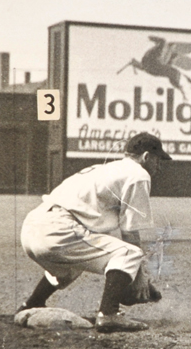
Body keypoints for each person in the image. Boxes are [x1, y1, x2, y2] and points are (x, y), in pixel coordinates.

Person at [19, 132, 172, 332]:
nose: (158, 167)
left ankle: (32, 304)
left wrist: (130, 277)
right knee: (130, 253)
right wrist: (140, 277)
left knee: (71, 265)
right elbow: (130, 232)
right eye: (158, 161)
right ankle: (109, 314)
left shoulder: (108, 169)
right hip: (58, 230)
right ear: (146, 157)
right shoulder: (138, 175)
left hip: (33, 228)